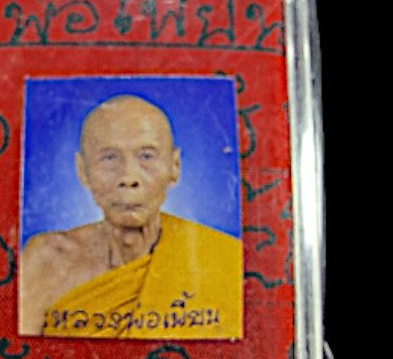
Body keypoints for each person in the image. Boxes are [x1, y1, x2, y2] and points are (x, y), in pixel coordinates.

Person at [19, 94, 242, 339]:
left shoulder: (224, 261)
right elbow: (16, 356)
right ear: (82, 170)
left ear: (174, 166)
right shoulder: (47, 262)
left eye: (146, 156)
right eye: (109, 158)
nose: (128, 177)